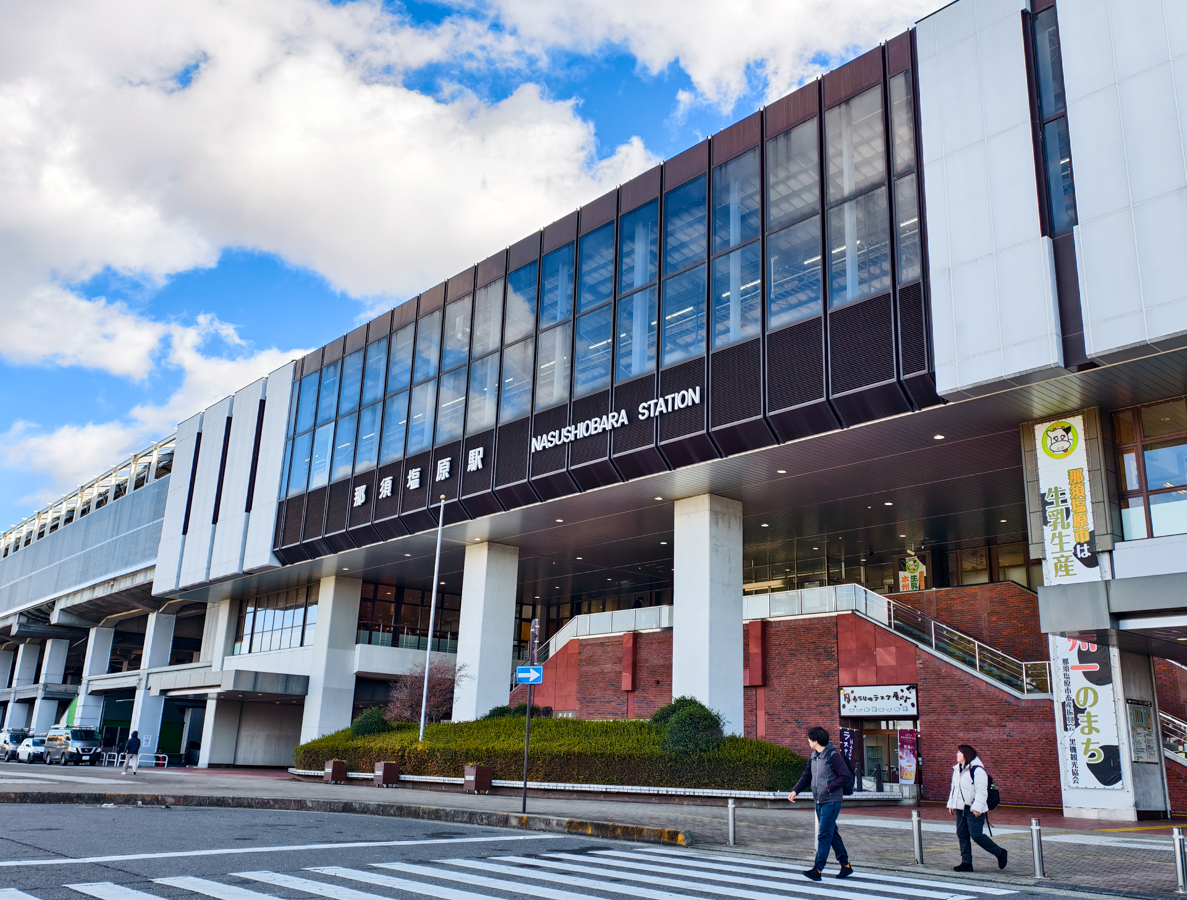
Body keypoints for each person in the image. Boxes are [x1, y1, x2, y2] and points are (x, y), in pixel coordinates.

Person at [788, 726, 853, 881]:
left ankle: (817, 870)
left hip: (831, 801)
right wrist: (795, 790)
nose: (808, 741)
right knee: (832, 834)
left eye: (809, 739)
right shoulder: (813, 756)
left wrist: (829, 789)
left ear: (815, 740)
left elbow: (844, 776)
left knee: (824, 834)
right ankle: (846, 866)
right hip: (819, 801)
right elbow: (806, 776)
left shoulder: (833, 755)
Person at [946, 743, 1007, 872]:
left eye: (959, 752)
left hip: (974, 809)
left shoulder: (978, 771)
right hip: (960, 809)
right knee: (962, 834)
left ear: (966, 754)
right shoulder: (957, 769)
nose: (956, 754)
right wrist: (951, 804)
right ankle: (966, 862)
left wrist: (977, 808)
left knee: (976, 836)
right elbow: (954, 789)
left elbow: (981, 791)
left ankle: (1000, 853)